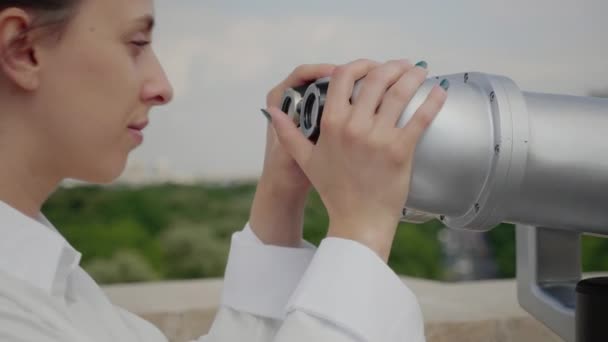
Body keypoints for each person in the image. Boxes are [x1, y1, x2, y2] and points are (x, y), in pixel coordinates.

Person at [0, 0, 448, 341]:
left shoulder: (40, 280)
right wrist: (361, 232)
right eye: (137, 44)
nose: (163, 87)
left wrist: (280, 195)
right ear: (24, 50)